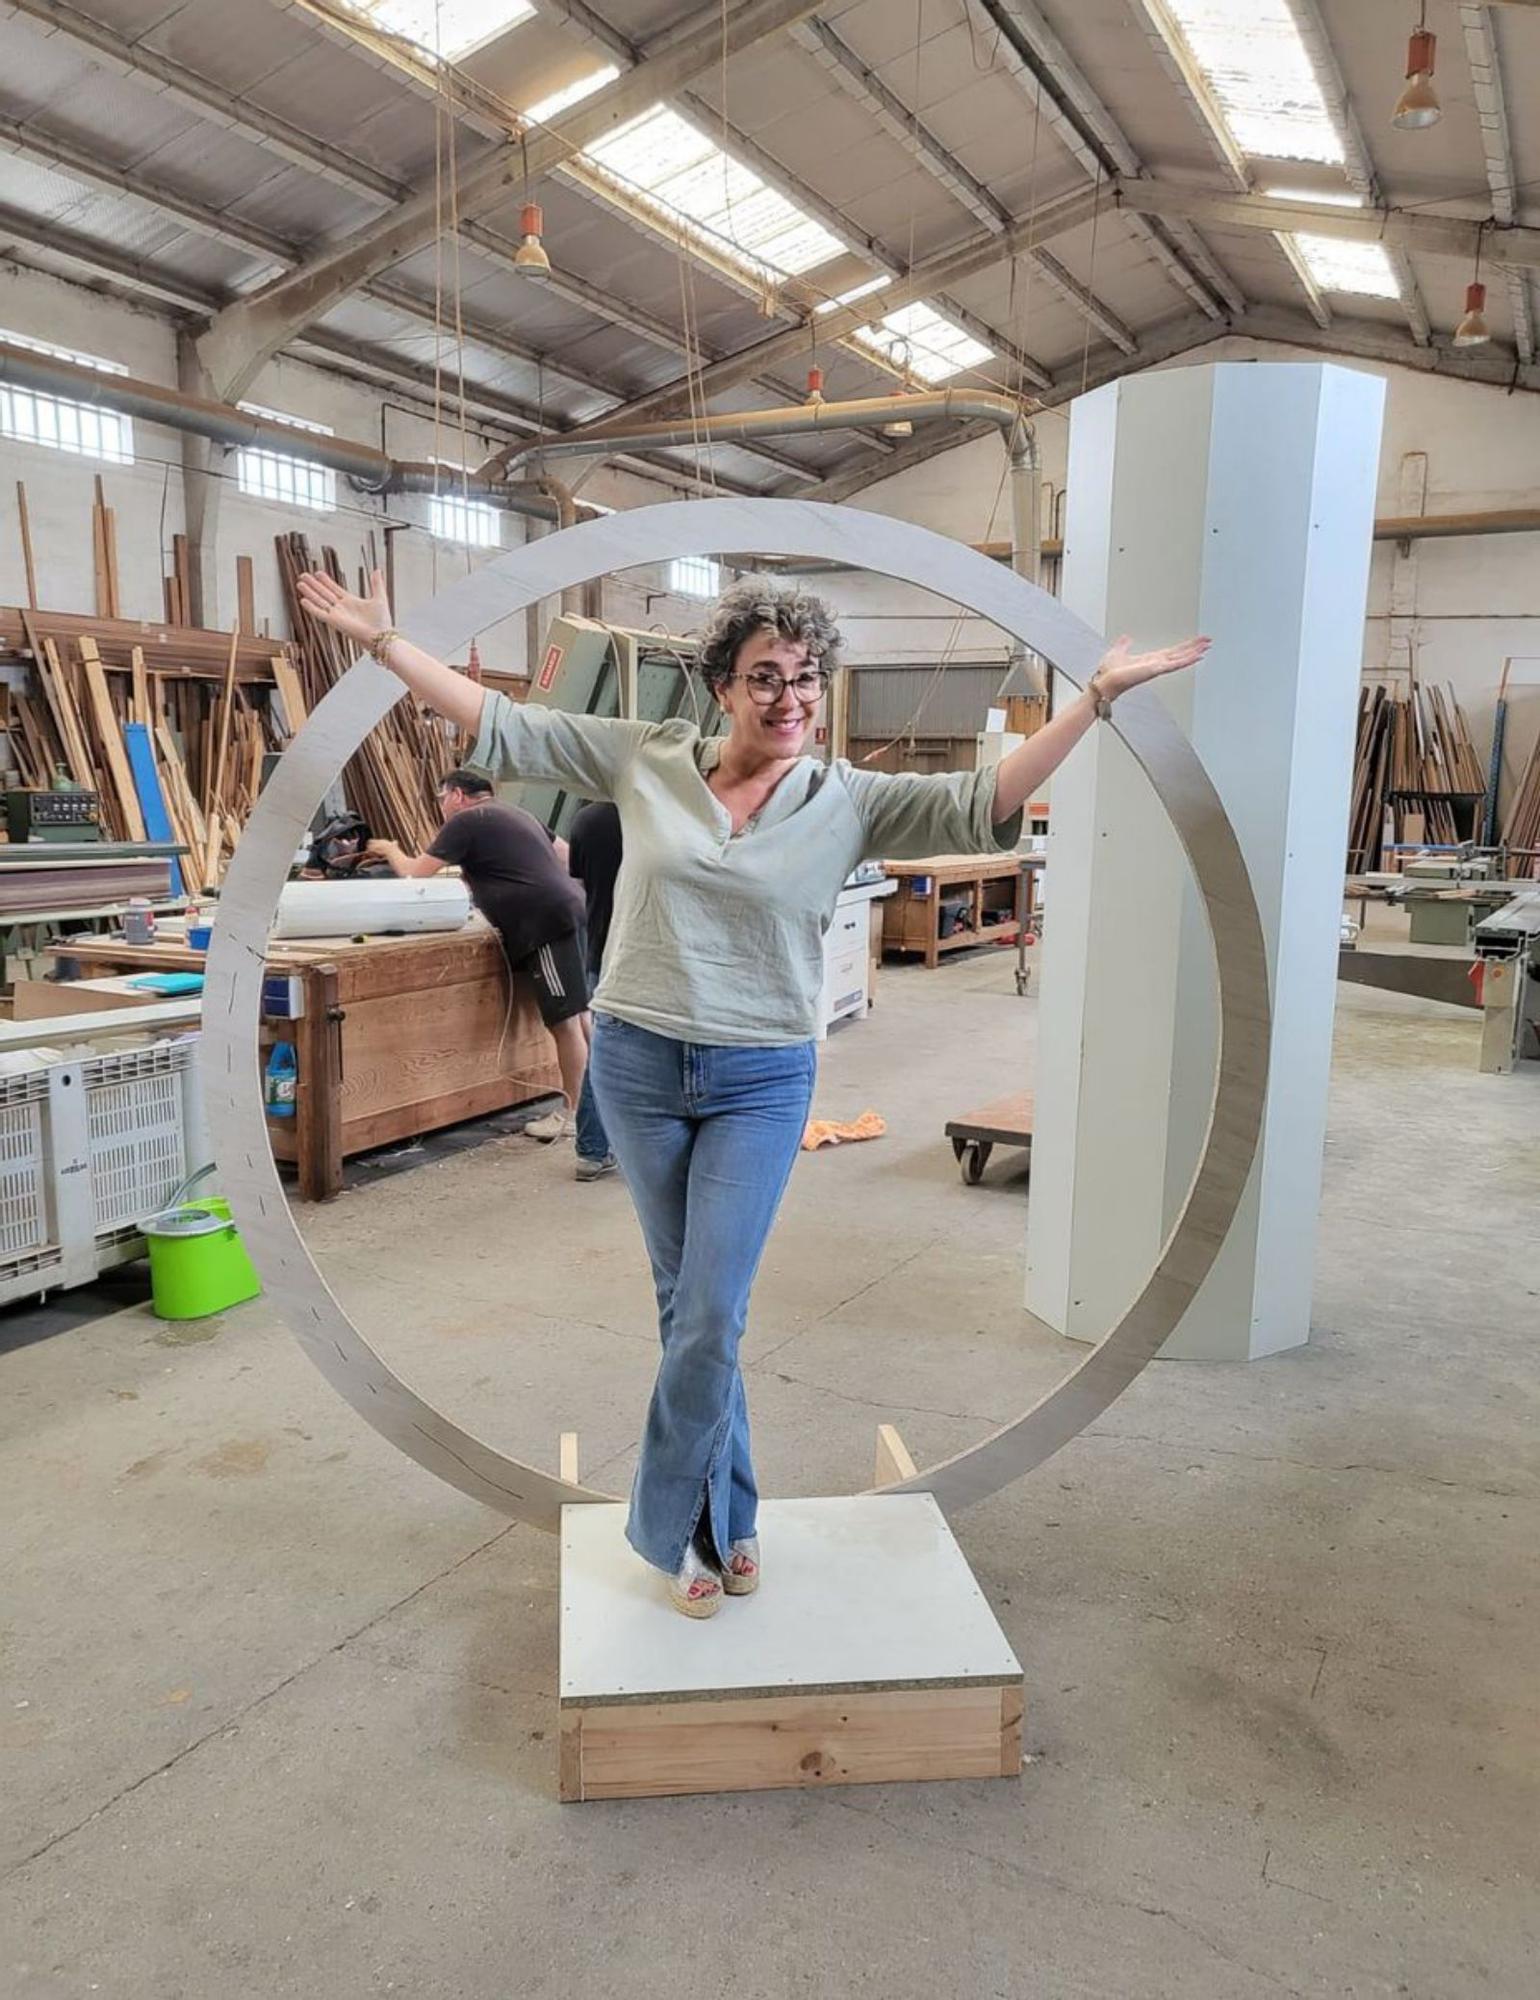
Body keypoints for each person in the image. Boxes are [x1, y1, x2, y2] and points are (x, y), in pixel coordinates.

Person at [297, 563, 1209, 1619]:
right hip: (638, 1063)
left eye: (808, 677)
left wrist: (1091, 700)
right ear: (721, 686)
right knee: (687, 1309)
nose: (791, 698)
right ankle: (728, 1522)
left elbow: (985, 797)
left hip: (763, 1075)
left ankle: (665, 1518)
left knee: (711, 1311)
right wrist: (381, 641)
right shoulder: (648, 758)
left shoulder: (846, 798)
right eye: (766, 676)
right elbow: (503, 719)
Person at [367, 769, 588, 1145]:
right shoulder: (518, 815)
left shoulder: (466, 820)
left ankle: (575, 1115)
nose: (441, 808)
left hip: (543, 921)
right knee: (582, 1017)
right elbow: (567, 857)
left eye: (440, 799)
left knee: (564, 1023)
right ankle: (595, 1113)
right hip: (569, 909)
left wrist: (389, 850)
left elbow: (415, 876)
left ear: (456, 795)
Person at [567, 800, 622, 1183]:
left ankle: (592, 1148)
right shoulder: (660, 810)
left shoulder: (587, 819)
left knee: (604, 1052)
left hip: (601, 948)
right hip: (650, 955)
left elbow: (582, 885)